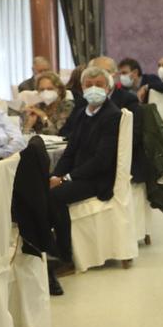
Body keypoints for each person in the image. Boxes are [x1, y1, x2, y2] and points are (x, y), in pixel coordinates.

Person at [46, 64, 123, 263]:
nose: (94, 88)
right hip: (79, 174)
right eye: (89, 85)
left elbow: (102, 161)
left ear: (108, 88)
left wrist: (65, 178)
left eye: (99, 84)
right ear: (81, 89)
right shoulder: (82, 112)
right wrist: (56, 175)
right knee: (41, 188)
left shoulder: (112, 115)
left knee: (55, 196)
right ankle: (47, 247)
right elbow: (70, 151)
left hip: (98, 179)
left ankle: (64, 255)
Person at [20, 69, 72, 136]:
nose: (45, 92)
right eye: (42, 89)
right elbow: (24, 136)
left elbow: (57, 133)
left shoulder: (67, 106)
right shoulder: (38, 107)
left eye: (50, 89)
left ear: (59, 90)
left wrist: (43, 116)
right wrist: (29, 124)